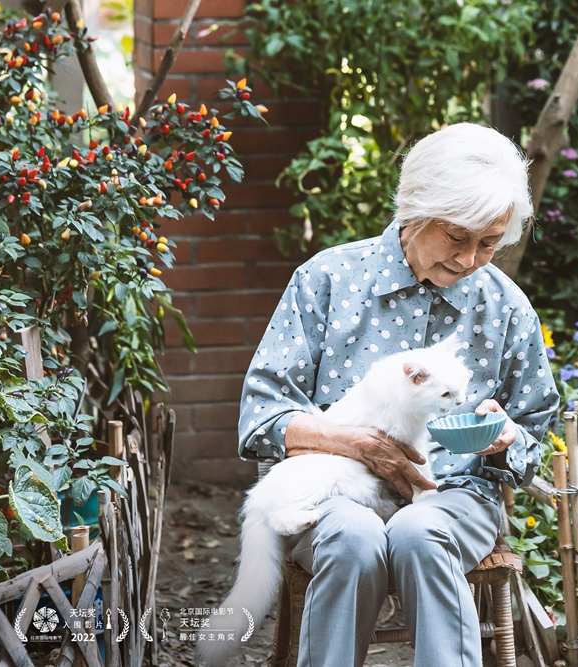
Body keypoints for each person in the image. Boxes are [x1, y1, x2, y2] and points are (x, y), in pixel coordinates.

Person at [237, 122, 561, 667]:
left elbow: (535, 429)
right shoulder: (328, 279)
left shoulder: (505, 305)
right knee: (353, 536)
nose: (470, 260)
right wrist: (355, 445)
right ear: (416, 210)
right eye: (457, 237)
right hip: (332, 492)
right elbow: (262, 416)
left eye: (489, 243)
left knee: (420, 529)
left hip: (454, 495)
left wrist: (508, 440)